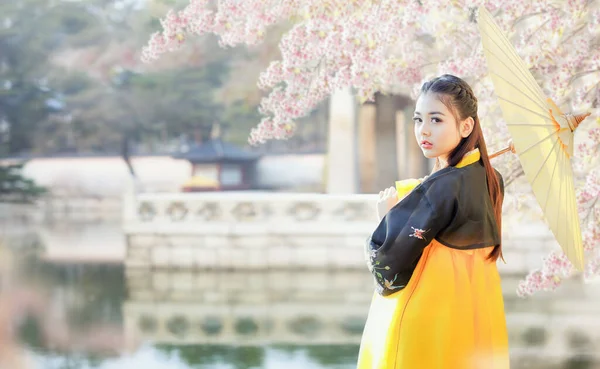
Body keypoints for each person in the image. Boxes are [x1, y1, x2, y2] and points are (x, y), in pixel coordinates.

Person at [357, 74, 510, 369]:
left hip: (428, 310)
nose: (423, 130)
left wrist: (388, 217)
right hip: (476, 312)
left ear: (466, 126)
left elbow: (389, 266)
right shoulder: (492, 179)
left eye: (436, 120)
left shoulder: (442, 187)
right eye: (418, 120)